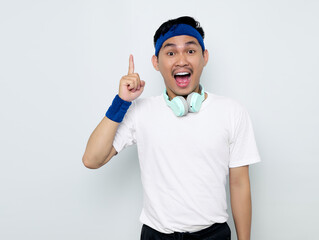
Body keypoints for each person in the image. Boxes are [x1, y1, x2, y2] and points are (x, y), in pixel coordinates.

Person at [82, 16, 261, 240]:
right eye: (170, 52)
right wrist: (121, 101)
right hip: (156, 235)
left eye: (190, 50)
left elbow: (240, 183)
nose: (181, 60)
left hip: (213, 235)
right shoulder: (140, 111)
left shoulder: (232, 112)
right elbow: (92, 159)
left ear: (204, 57)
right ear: (156, 63)